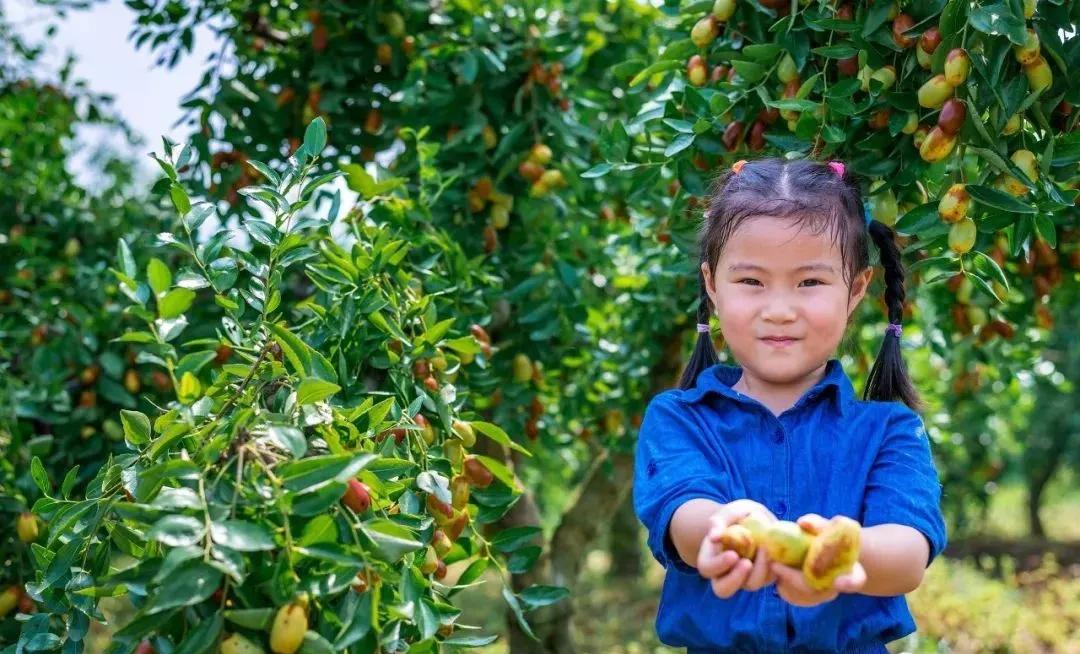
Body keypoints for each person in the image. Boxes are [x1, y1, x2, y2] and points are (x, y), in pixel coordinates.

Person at [632, 157, 948, 653]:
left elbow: (907, 554)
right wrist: (729, 530)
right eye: (751, 282)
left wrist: (834, 554)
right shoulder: (679, 419)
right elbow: (686, 513)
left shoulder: (891, 432)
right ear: (712, 286)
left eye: (810, 282)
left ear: (856, 289)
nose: (779, 310)